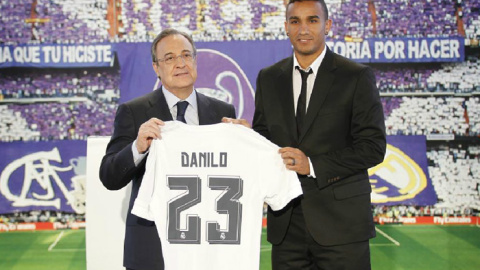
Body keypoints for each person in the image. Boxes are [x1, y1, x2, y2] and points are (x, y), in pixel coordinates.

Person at [252, 0, 387, 269]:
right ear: (286, 28)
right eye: (295, 21)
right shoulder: (268, 78)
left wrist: (311, 165)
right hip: (286, 225)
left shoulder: (356, 76)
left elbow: (373, 146)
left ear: (328, 25)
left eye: (312, 20)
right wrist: (245, 137)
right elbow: (264, 137)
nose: (303, 29)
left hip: (342, 227)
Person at [99, 28, 236, 270]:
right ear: (156, 67)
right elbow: (109, 176)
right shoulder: (134, 111)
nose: (180, 63)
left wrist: (243, 142)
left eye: (186, 55)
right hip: (152, 250)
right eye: (170, 58)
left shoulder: (223, 112)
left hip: (208, 248)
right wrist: (138, 147)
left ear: (195, 60)